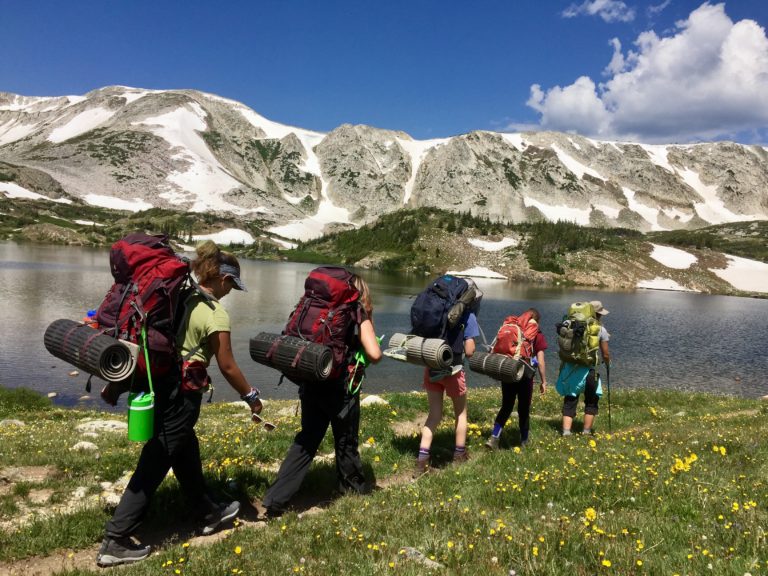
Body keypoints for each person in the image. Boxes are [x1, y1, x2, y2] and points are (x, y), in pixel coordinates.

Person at [97, 241, 263, 567]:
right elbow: (227, 364)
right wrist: (250, 396)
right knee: (157, 460)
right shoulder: (215, 312)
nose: (230, 292)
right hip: (183, 394)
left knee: (184, 447)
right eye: (231, 285)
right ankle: (115, 540)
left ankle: (206, 512)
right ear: (223, 279)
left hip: (158, 383)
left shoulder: (178, 295)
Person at [262, 273, 382, 517]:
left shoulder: (319, 306)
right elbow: (375, 354)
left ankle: (275, 499)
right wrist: (367, 321)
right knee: (346, 440)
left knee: (307, 439)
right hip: (341, 388)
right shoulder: (355, 309)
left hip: (313, 379)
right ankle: (353, 492)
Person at [413, 306, 480, 478]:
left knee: (434, 415)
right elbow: (470, 351)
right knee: (461, 414)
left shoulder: (437, 309)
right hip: (453, 370)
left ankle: (421, 461)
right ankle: (459, 455)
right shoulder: (468, 314)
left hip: (432, 367)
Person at [485, 308, 548, 449]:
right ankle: (525, 441)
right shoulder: (536, 333)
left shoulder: (513, 328)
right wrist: (544, 381)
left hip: (507, 370)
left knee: (506, 406)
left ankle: (494, 438)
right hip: (524, 375)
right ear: (536, 321)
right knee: (524, 408)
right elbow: (541, 360)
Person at [560, 300, 611, 436]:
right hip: (590, 371)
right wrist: (607, 364)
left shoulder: (571, 325)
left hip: (571, 369)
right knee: (591, 401)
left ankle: (566, 432)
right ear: (597, 314)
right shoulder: (600, 330)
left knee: (570, 400)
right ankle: (586, 432)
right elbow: (605, 354)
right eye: (600, 314)